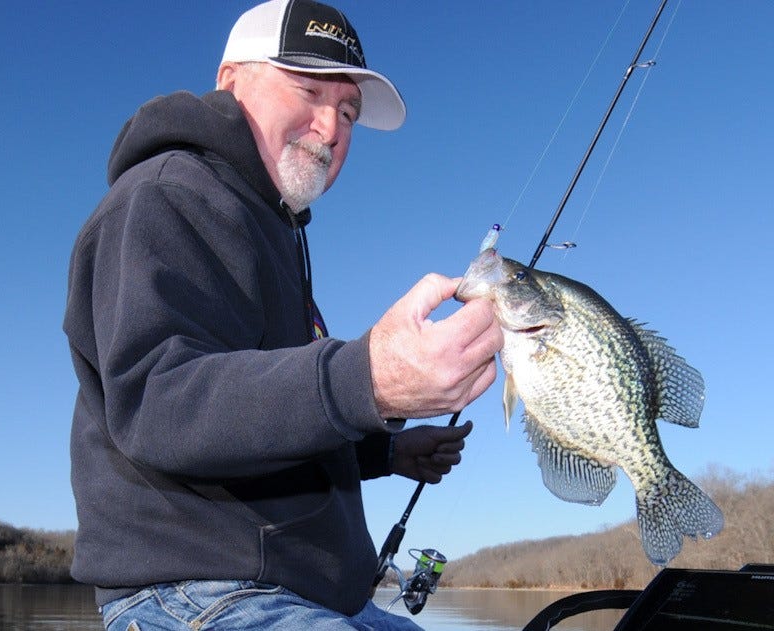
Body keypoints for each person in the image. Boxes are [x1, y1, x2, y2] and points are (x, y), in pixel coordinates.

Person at [62, 1, 503, 629]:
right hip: (191, 591)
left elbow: (256, 419)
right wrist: (367, 379)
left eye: (347, 111)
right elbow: (159, 403)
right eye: (308, 90)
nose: (330, 128)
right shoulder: (164, 197)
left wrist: (384, 452)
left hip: (311, 595)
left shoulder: (275, 232)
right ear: (230, 80)